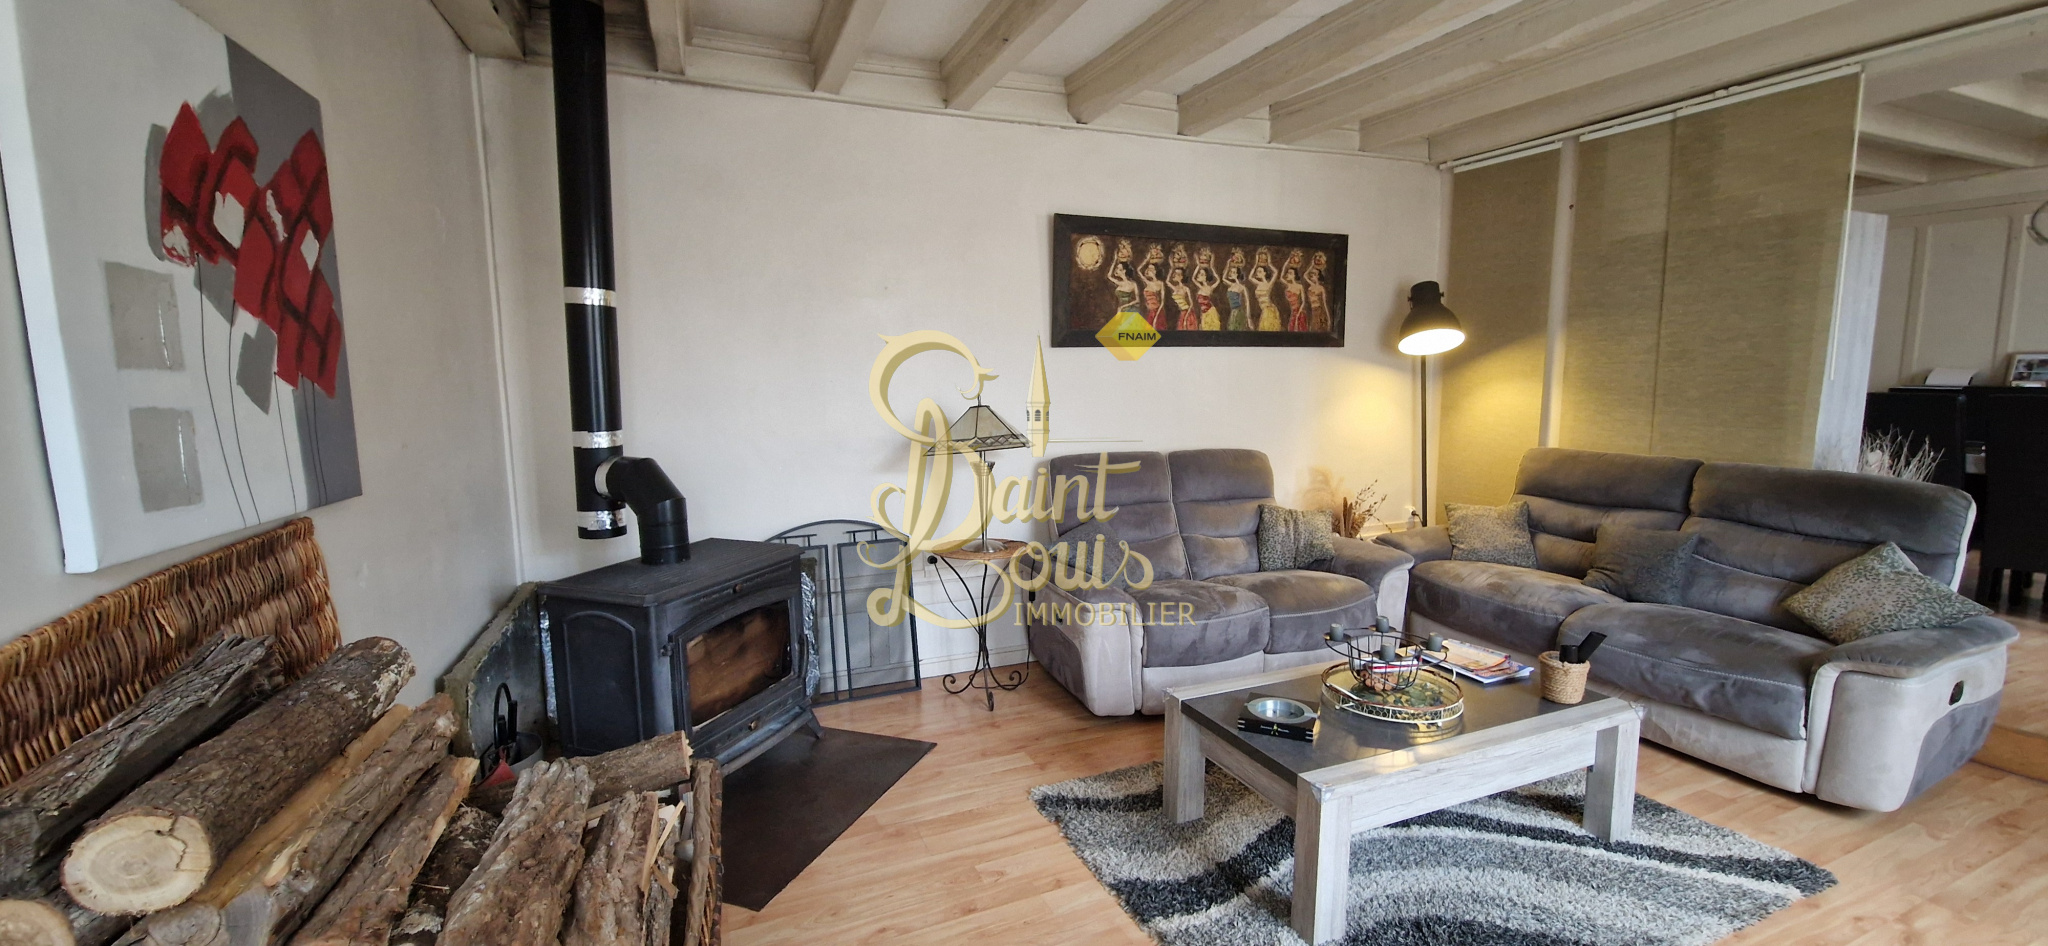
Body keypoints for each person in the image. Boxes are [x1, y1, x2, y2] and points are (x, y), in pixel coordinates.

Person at [1249, 247, 1282, 332]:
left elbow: (1276, 272)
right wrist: (1256, 264)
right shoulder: (1258, 283)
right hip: (1264, 310)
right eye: (1257, 272)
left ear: (1264, 273)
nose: (1257, 273)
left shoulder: (1268, 284)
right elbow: (1250, 277)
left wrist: (1269, 263)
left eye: (1259, 271)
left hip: (1268, 309)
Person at [1192, 246, 1223, 331]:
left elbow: (1218, 280)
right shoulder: (1200, 287)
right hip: (1204, 314)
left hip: (1210, 313)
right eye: (1199, 274)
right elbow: (1193, 278)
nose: (1199, 275)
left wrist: (1212, 266)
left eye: (1201, 274)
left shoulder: (1209, 288)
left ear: (1206, 277)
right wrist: (1198, 265)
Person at [1222, 248, 1251, 332]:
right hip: (1233, 312)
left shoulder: (1242, 287)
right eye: (1231, 272)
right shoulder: (1231, 285)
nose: (1231, 274)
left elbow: (1247, 303)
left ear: (1238, 275)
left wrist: (1248, 318)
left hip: (1238, 312)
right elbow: (1223, 278)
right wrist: (1228, 265)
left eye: (1233, 272)